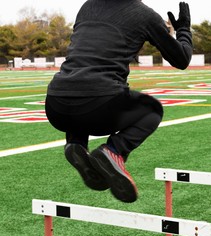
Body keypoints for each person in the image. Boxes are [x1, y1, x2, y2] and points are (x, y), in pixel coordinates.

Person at [45, 0, 192, 203]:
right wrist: (183, 30)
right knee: (152, 110)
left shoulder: (87, 7)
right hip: (99, 105)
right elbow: (182, 59)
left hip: (55, 105)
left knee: (81, 87)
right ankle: (114, 151)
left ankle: (75, 143)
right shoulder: (144, 15)